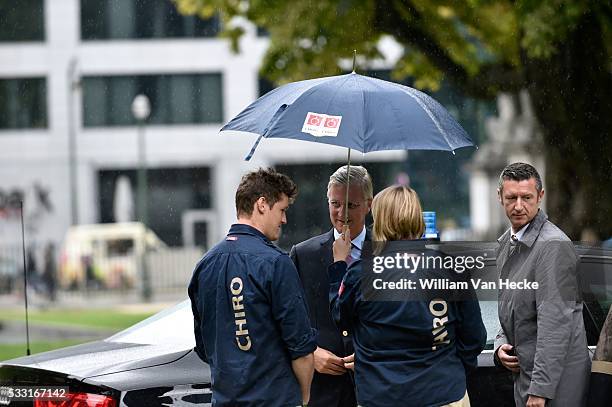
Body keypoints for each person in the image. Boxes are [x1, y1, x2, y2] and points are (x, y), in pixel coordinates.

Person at [329, 185, 487, 407]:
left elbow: (341, 318)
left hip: (381, 395)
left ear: (381, 221)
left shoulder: (359, 274)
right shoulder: (451, 269)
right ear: (417, 218)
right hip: (443, 392)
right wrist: (448, 368)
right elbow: (474, 337)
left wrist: (338, 266)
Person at [188, 168, 317, 406]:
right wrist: (304, 397)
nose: (284, 220)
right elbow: (301, 349)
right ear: (262, 204)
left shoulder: (204, 265)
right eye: (282, 210)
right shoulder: (276, 262)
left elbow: (205, 348)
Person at [494, 162, 590, 407]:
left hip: (554, 388)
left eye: (526, 197)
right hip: (528, 380)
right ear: (500, 197)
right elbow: (510, 311)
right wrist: (499, 347)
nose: (518, 206)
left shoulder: (553, 247)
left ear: (540, 196)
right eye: (511, 197)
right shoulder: (508, 244)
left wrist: (539, 391)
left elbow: (554, 326)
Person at [289, 165, 372, 407]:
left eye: (351, 205)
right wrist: (309, 353)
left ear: (369, 204)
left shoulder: (387, 251)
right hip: (323, 392)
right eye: (335, 203)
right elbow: (289, 321)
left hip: (375, 390)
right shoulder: (303, 255)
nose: (342, 213)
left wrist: (375, 355)